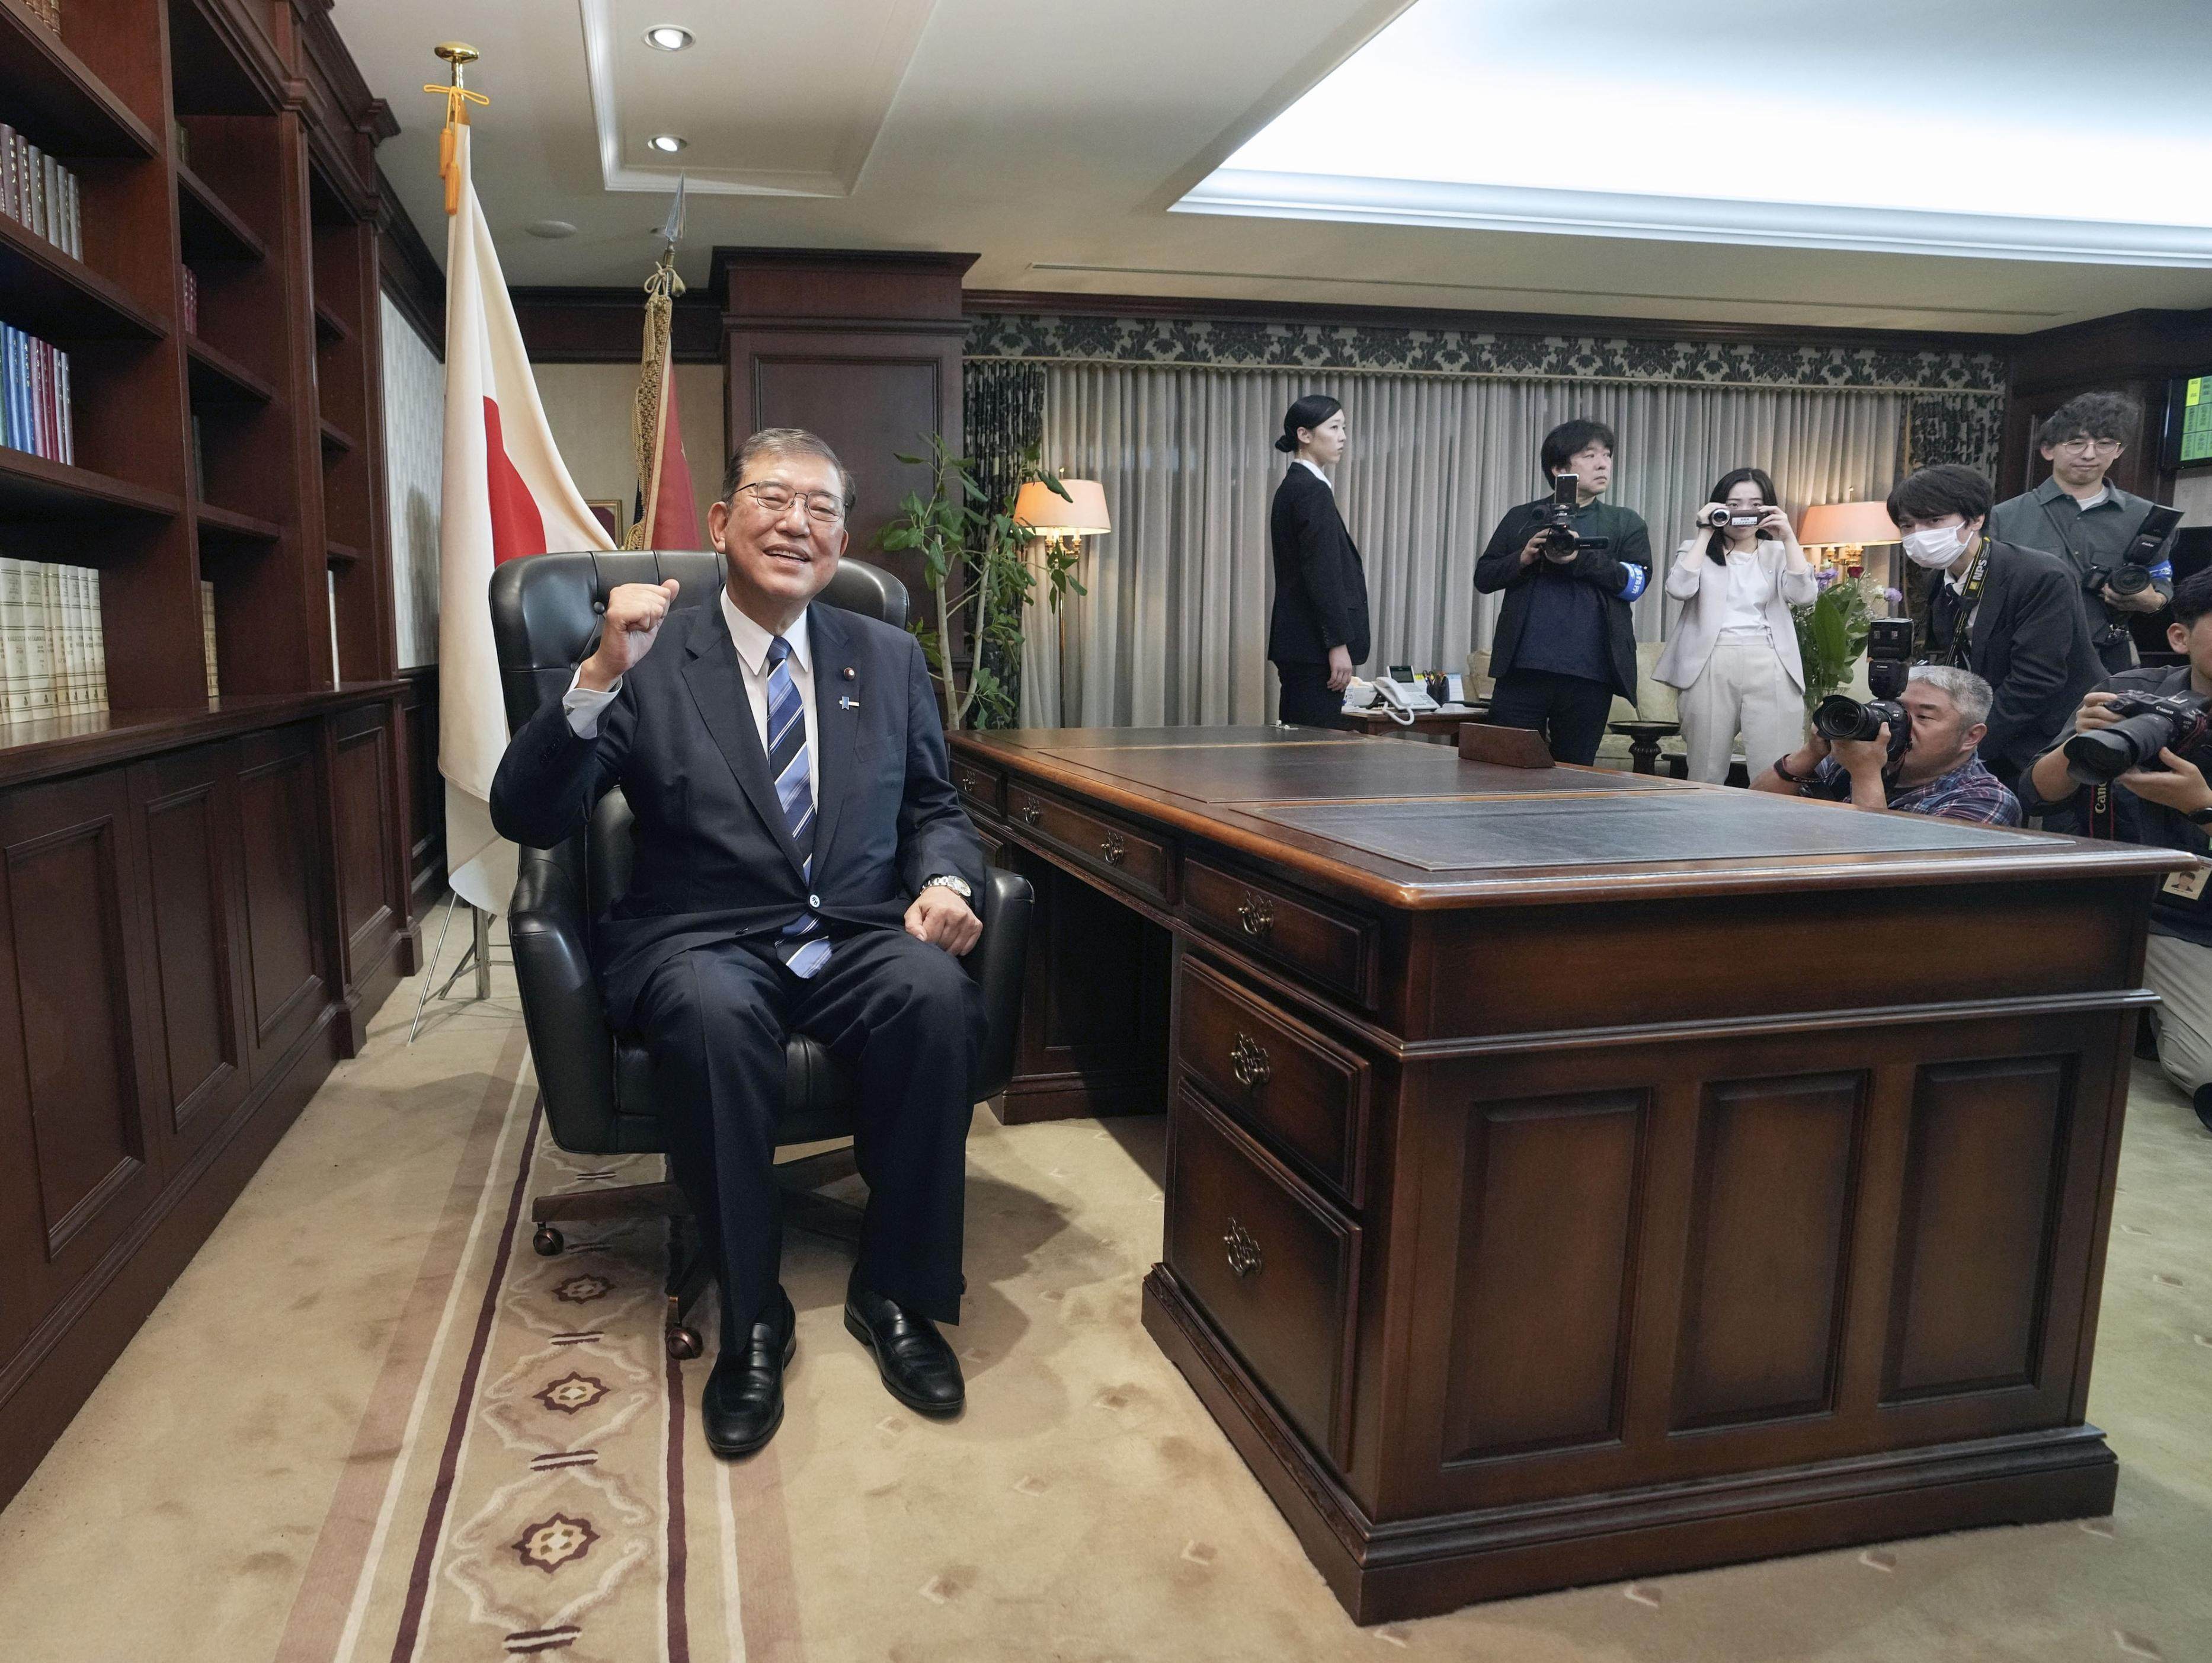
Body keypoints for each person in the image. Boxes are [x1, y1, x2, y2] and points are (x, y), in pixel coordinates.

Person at [490, 428, 988, 1457]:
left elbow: (936, 808)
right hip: (702, 933)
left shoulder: (886, 658)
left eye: (818, 509)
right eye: (771, 497)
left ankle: (895, 1293)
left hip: (852, 929)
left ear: (840, 540)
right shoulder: (647, 652)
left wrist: (943, 878)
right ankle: (751, 1319)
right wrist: (593, 675)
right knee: (712, 1018)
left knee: (933, 997)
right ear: (719, 523)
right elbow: (528, 815)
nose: (794, 523)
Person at [2021, 566, 2212, 1133]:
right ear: (2179, 638)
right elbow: (2035, 793)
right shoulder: (2135, 690)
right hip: (2129, 906)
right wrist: (2082, 745)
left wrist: (2202, 808)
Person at [1891, 462, 2098, 791]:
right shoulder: (1937, 579)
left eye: (1933, 521)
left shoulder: (2040, 575)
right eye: (1907, 525)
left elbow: (2037, 680)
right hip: (1985, 728)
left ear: (1976, 519)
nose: (1919, 535)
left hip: (2050, 736)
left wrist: (1966, 749)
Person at [1473, 418, 1651, 765]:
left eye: (1608, 455)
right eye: (1590, 455)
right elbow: (1484, 577)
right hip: (1523, 669)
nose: (1603, 464)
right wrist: (1523, 558)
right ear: (1559, 468)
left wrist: (1577, 558)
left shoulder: (1625, 522)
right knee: (1508, 770)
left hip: (1591, 672)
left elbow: (1636, 584)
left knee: (1576, 776)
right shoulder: (1524, 517)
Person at [1987, 392, 2173, 674]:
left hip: (2107, 659)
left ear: (2118, 451)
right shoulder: (2004, 516)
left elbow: (2161, 581)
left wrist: (2153, 600)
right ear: (2048, 450)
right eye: (2075, 443)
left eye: (2104, 444)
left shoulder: (2147, 516)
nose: (2089, 454)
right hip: (2023, 659)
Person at [1653, 467, 1817, 783]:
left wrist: (1789, 537)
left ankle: (1770, 831)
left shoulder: (1779, 552)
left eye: (1755, 504)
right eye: (1733, 504)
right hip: (1711, 659)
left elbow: (1804, 596)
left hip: (1770, 659)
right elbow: (1679, 589)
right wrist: (1705, 532)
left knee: (1775, 767)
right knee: (1705, 768)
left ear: (1769, 508)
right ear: (1717, 507)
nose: (1744, 512)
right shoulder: (1695, 549)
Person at [1750, 663, 2022, 825]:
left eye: (1923, 716)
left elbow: (1882, 869)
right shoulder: (1847, 761)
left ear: (1971, 736)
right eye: (1898, 711)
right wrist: (1810, 753)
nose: (1900, 725)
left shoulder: (1986, 800)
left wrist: (1866, 774)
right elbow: (1755, 813)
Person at [1266, 394, 1369, 728]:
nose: (1342, 437)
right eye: (1334, 427)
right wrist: (1337, 644)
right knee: (1314, 757)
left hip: (1301, 644)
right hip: (1314, 648)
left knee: (1300, 752)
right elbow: (1321, 575)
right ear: (1305, 435)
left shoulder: (1296, 486)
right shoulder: (1311, 490)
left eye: (1344, 428)